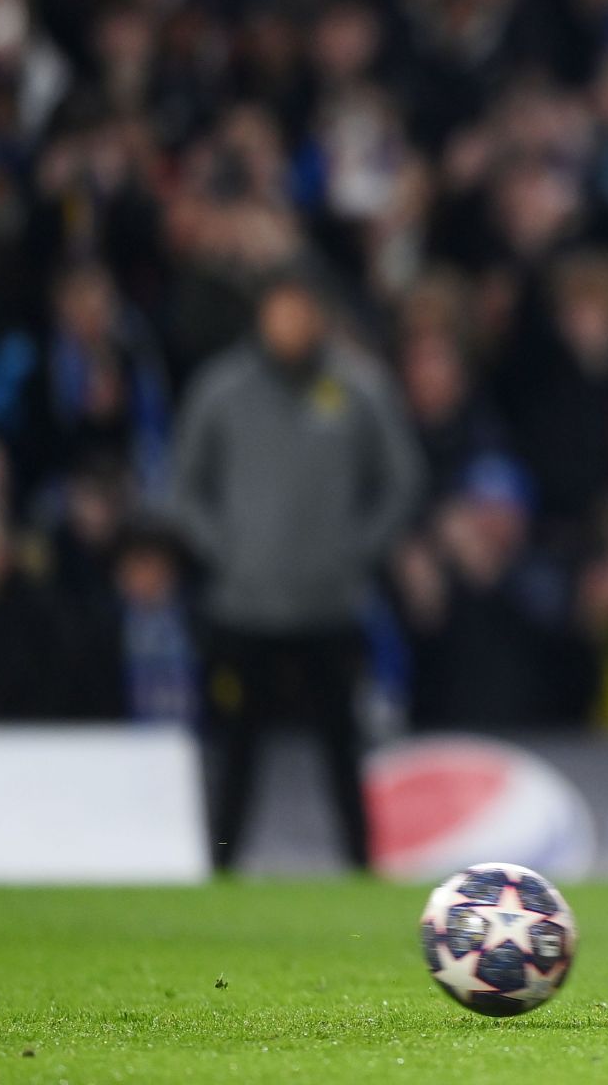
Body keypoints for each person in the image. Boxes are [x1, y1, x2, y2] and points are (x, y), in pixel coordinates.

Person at [169, 267, 423, 872]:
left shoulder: (357, 387)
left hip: (330, 605)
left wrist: (357, 550)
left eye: (302, 310)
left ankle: (361, 869)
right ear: (262, 315)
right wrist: (225, 549)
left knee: (343, 750)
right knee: (235, 752)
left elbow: (402, 479)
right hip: (242, 606)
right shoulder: (222, 390)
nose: (291, 323)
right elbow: (184, 486)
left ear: (320, 316)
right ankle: (220, 870)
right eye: (280, 310)